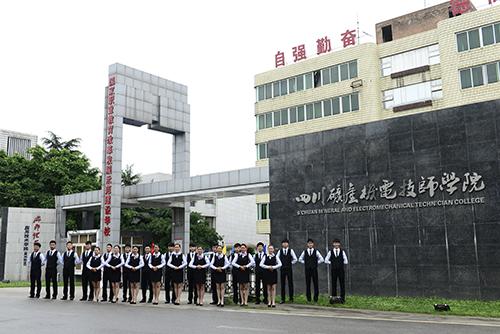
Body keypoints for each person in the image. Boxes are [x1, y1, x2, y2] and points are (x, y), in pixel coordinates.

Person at [324, 239, 348, 303]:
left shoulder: (342, 252)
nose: (336, 244)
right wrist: (332, 263)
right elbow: (326, 260)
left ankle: (342, 299)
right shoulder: (330, 252)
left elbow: (346, 261)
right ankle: (333, 299)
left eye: (337, 243)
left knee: (342, 284)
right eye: (335, 243)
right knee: (333, 284)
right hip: (333, 270)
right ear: (333, 244)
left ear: (339, 244)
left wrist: (340, 263)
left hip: (341, 270)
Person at [277, 239, 297, 304]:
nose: (285, 244)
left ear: (288, 244)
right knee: (282, 284)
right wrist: (280, 264)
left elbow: (295, 259)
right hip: (282, 269)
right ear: (282, 244)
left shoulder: (291, 251)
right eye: (283, 243)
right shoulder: (280, 251)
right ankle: (283, 299)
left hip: (289, 269)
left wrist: (290, 263)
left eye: (286, 243)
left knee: (290, 283)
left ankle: (291, 298)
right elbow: (276, 258)